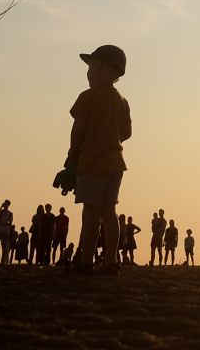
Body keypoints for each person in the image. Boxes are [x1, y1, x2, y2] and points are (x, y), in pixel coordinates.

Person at [58, 44, 131, 273]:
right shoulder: (121, 100)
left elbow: (77, 130)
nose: (88, 73)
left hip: (91, 160)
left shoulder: (87, 97)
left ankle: (86, 260)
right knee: (109, 212)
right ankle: (111, 261)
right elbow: (127, 133)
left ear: (102, 68)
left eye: (90, 68)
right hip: (116, 161)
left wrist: (72, 154)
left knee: (90, 212)